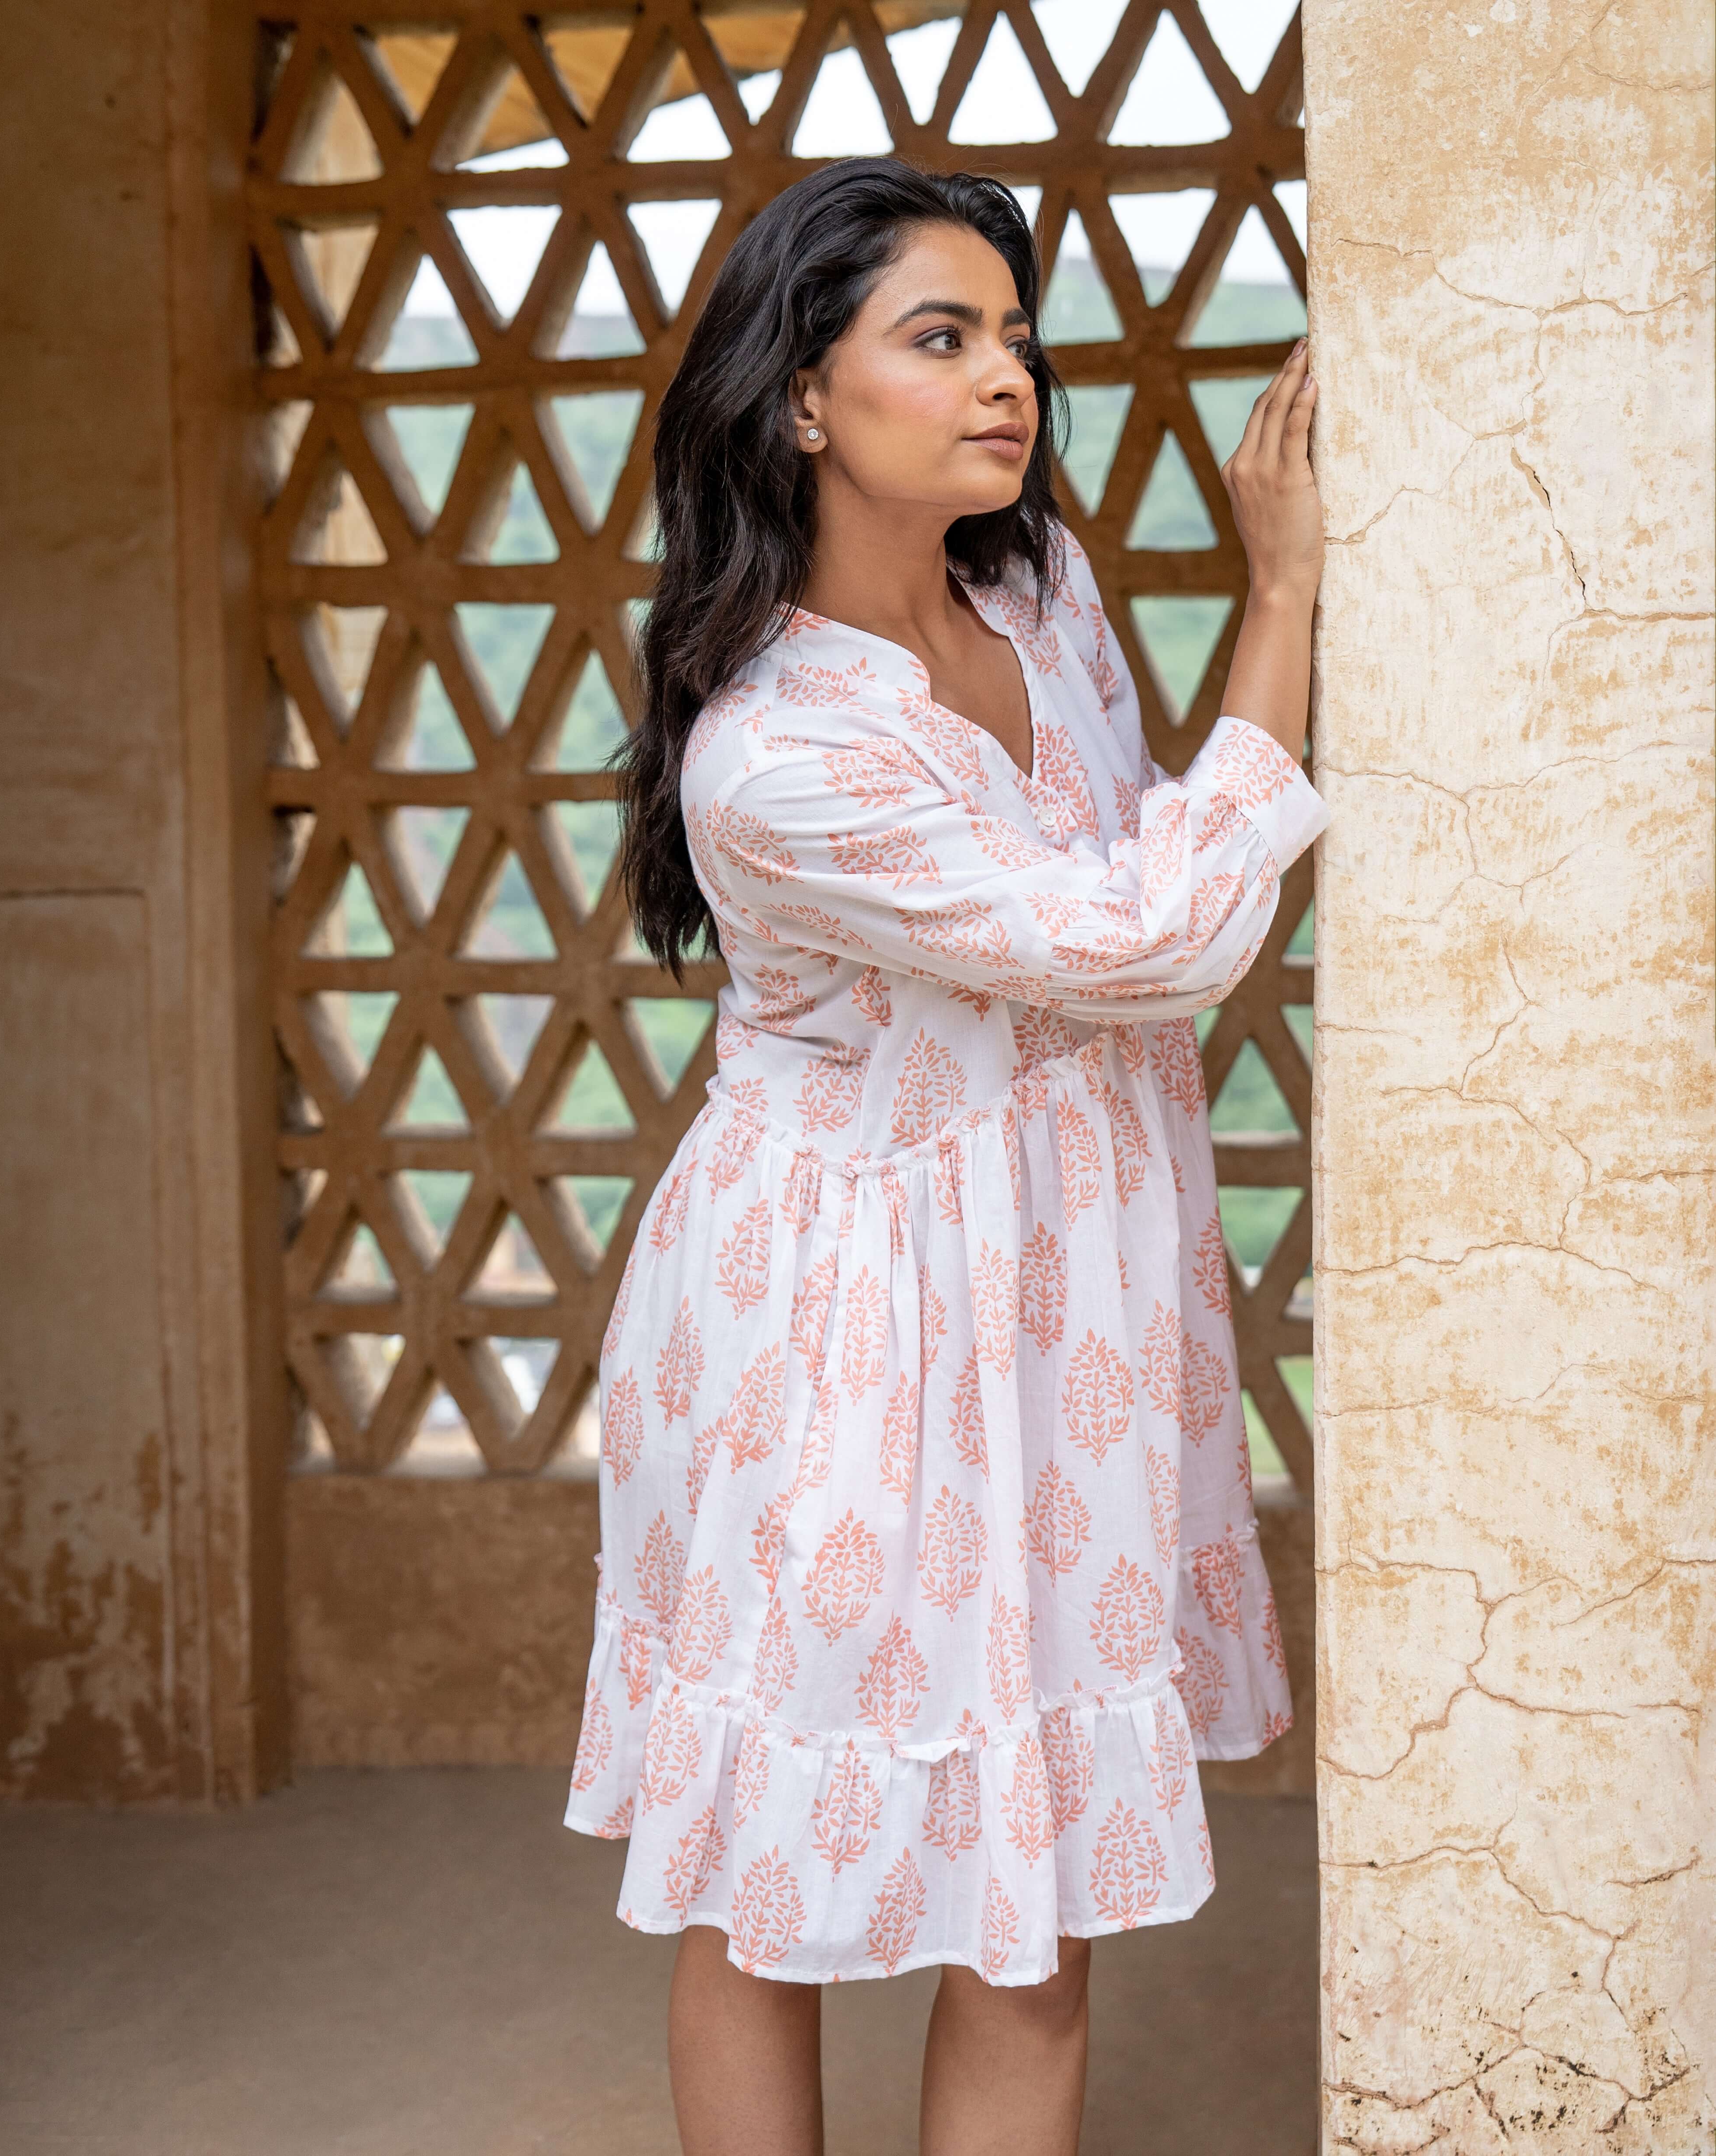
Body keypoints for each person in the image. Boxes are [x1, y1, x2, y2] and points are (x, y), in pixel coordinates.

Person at [565, 157, 1327, 2156]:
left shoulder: (1034, 584)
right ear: (801, 395)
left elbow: (1141, 847)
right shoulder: (783, 751)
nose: (1006, 379)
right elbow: (1150, 931)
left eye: (1012, 335)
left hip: (1049, 1319)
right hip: (830, 1332)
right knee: (771, 1886)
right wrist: (1283, 592)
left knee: (1038, 1910)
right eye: (939, 335)